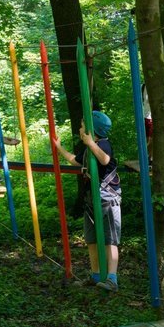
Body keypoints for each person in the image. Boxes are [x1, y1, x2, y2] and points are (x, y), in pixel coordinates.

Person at [54, 111, 121, 292]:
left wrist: (90, 143)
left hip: (107, 199)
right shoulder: (91, 146)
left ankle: (112, 278)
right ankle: (96, 274)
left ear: (93, 130)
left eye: (83, 125)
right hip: (92, 199)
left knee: (110, 240)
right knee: (91, 239)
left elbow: (105, 159)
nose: (80, 128)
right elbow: (75, 161)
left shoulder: (104, 145)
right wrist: (59, 148)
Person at [141, 84, 153, 164]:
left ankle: (150, 157)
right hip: (149, 117)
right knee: (150, 139)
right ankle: (147, 157)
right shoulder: (145, 86)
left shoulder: (144, 86)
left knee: (151, 139)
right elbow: (148, 100)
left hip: (149, 116)